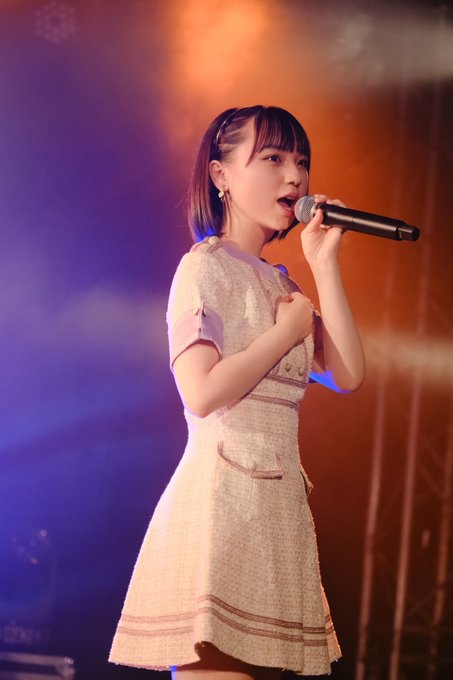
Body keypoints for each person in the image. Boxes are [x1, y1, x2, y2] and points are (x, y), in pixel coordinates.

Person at [109, 105, 365, 679]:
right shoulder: (203, 268)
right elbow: (201, 393)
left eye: (301, 161)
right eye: (272, 158)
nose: (294, 176)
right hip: (221, 506)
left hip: (276, 514)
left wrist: (324, 264)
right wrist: (284, 334)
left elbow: (348, 374)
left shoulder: (281, 282)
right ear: (220, 174)